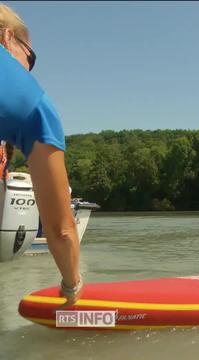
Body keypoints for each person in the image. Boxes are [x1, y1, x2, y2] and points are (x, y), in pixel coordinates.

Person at [0, 4, 82, 305]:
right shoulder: (34, 104)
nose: (29, 68)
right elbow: (60, 231)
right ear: (8, 38)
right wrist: (72, 290)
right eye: (29, 57)